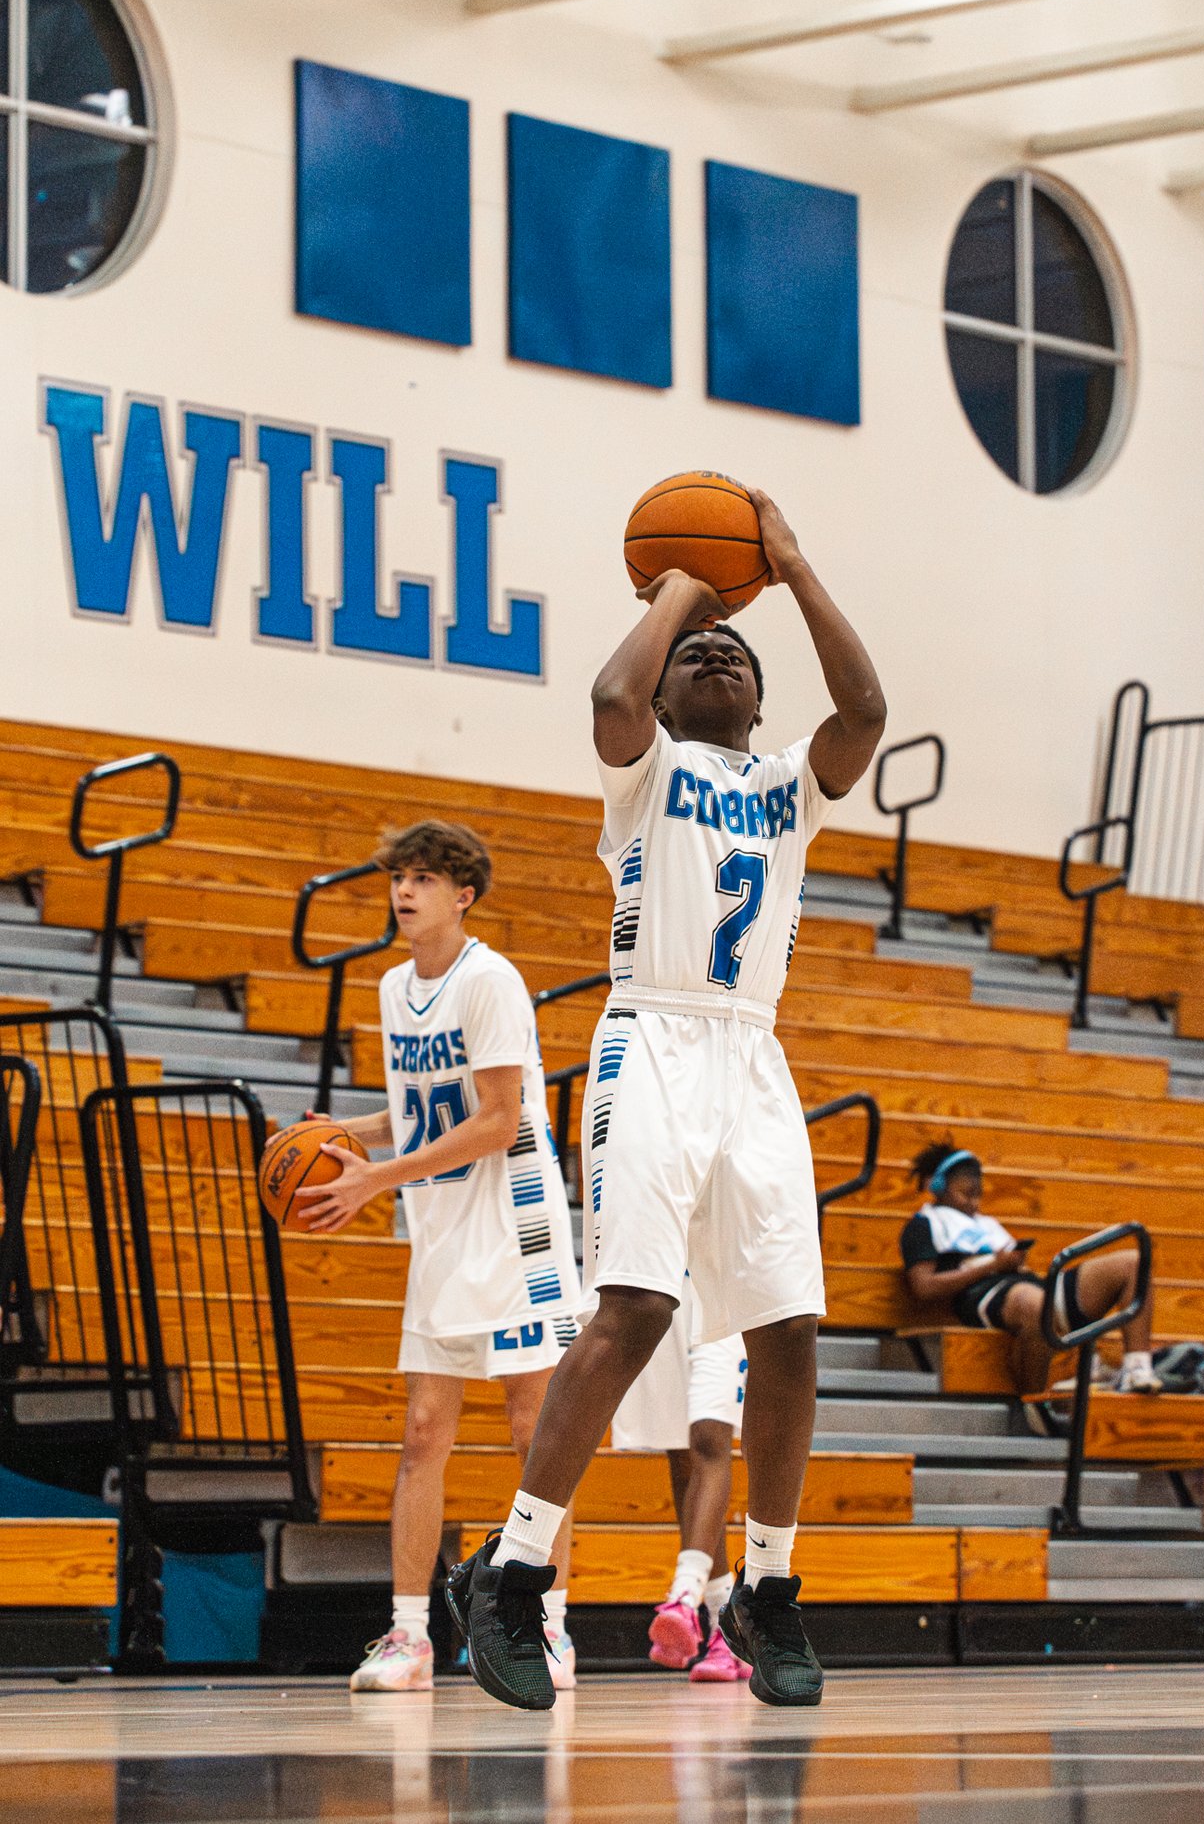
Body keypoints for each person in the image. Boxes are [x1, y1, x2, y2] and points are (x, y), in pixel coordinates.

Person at [446, 488, 886, 1711]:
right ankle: (514, 1571)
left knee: (788, 1328)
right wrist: (687, 585)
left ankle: (768, 1584)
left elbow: (865, 710)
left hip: (753, 1056)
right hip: (650, 1036)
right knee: (636, 1304)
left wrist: (789, 568)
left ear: (761, 700)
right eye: (694, 652)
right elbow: (609, 695)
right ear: (672, 693)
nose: (714, 655)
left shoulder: (791, 784)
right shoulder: (646, 773)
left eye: (733, 652)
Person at [298, 820, 583, 1693]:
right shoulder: (394, 986)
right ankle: (409, 1636)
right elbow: (423, 1110)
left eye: (423, 878)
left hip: (516, 1224)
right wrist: (346, 1133)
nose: (404, 891)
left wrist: (374, 1178)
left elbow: (497, 1120)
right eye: (399, 877)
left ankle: (548, 1624)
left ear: (463, 895)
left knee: (536, 1431)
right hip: (442, 1225)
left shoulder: (490, 981)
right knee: (424, 1431)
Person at [899, 1143, 1161, 1432]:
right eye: (965, 1194)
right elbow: (923, 1287)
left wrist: (1014, 1264)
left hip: (1027, 1285)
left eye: (978, 1195)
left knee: (1133, 1262)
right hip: (982, 1292)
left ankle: (1136, 1367)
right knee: (1035, 1306)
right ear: (937, 1187)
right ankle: (1034, 1404)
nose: (974, 1203)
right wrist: (993, 1266)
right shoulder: (924, 1225)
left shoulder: (986, 1223)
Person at [610, 1276, 751, 1683]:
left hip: (725, 1281)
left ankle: (684, 1596)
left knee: (709, 1437)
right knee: (682, 1452)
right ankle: (728, 1628)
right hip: (666, 1284)